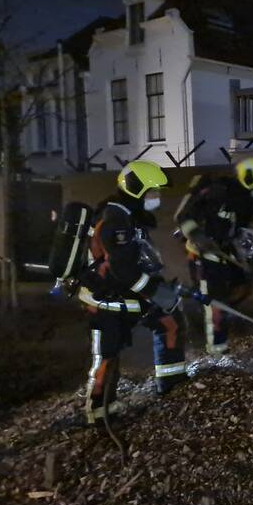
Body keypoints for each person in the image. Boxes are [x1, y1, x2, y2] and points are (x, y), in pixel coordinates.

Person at [77, 161, 186, 425]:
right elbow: (122, 269)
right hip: (105, 300)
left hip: (126, 293)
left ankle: (171, 385)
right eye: (153, 192)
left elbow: (137, 261)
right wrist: (155, 292)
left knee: (170, 323)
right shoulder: (115, 220)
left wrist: (159, 287)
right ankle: (99, 412)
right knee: (108, 356)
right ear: (137, 189)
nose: (157, 197)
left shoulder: (128, 216)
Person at [174, 157, 253, 356]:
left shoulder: (246, 202)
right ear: (247, 179)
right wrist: (197, 235)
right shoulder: (215, 192)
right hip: (202, 256)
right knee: (215, 304)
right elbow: (183, 217)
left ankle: (215, 326)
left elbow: (245, 233)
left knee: (234, 294)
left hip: (224, 256)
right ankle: (217, 353)